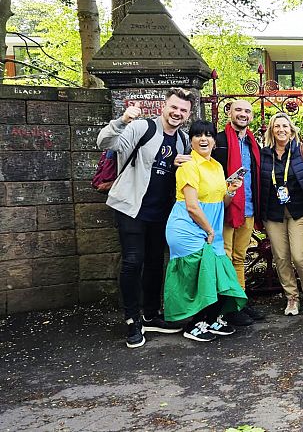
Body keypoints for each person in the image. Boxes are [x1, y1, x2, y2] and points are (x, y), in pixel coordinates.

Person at [96, 88, 193, 348]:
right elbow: (105, 143)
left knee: (154, 262)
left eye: (183, 110)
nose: (177, 113)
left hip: (160, 211)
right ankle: (132, 320)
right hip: (131, 207)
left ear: (188, 114)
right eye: (174, 107)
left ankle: (150, 314)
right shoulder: (142, 128)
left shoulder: (183, 140)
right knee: (132, 261)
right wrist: (122, 121)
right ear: (164, 106)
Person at [163, 120, 248, 342]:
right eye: (198, 135)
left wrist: (230, 191)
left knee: (220, 273)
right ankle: (195, 324)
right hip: (189, 228)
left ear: (214, 140)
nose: (204, 139)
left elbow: (222, 203)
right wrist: (209, 230)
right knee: (203, 277)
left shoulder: (217, 167)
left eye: (208, 135)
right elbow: (191, 206)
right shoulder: (189, 166)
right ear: (190, 140)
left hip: (210, 229)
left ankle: (212, 319)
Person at [258, 113, 303, 316]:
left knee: (299, 255)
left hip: (300, 211)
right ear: (272, 130)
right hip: (273, 212)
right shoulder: (264, 154)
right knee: (281, 257)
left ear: (292, 130)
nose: (281, 129)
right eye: (277, 126)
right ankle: (291, 297)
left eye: (285, 126)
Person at [211, 99, 265, 326]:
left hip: (248, 207)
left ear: (251, 117)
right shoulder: (219, 141)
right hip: (225, 208)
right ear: (229, 113)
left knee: (239, 258)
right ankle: (226, 305)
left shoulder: (253, 144)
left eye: (247, 111)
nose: (243, 114)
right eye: (239, 110)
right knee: (223, 256)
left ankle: (239, 301)